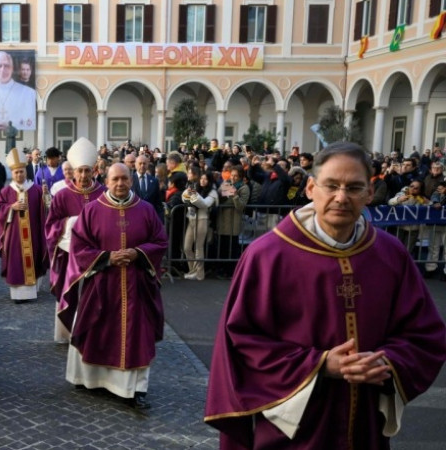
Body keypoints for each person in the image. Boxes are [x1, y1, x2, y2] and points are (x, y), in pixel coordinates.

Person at [204, 142, 446, 449]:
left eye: (354, 187)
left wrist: (386, 362)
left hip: (365, 425)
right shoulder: (267, 256)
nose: (341, 197)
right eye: (331, 185)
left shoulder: (390, 254)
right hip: (292, 428)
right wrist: (319, 365)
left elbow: (425, 334)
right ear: (310, 188)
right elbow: (241, 341)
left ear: (370, 194)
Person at [59, 163, 168, 409]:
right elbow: (79, 247)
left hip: (136, 286)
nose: (120, 184)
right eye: (115, 179)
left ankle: (133, 389)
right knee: (96, 329)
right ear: (106, 181)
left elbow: (160, 241)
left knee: (136, 336)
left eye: (124, 179)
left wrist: (138, 253)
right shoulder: (92, 210)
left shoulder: (146, 210)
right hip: (101, 283)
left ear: (132, 181)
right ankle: (89, 379)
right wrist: (107, 257)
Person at [45, 138, 104, 342]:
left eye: (87, 170)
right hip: (69, 254)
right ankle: (66, 334)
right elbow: (51, 226)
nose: (83, 175)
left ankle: (92, 332)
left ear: (94, 170)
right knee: (69, 293)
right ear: (73, 171)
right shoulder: (62, 196)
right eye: (80, 171)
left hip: (96, 254)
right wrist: (74, 223)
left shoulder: (104, 194)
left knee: (95, 293)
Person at [0, 148, 48, 303]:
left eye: (22, 171)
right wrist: (11, 207)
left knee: (34, 257)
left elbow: (46, 210)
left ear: (26, 171)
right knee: (16, 261)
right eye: (16, 172)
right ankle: (17, 294)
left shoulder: (36, 190)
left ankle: (32, 291)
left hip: (34, 233)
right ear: (12, 173)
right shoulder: (6, 191)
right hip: (13, 235)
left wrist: (46, 197)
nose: (19, 175)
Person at [182, 168, 218, 281]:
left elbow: (205, 204)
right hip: (191, 219)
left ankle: (199, 274)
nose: (202, 181)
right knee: (187, 247)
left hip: (202, 220)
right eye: (201, 178)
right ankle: (193, 270)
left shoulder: (212, 192)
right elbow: (184, 198)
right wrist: (190, 195)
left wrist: (193, 195)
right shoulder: (195, 188)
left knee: (198, 248)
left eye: (205, 179)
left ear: (209, 181)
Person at [0, 51, 36, 131]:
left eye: (7, 66)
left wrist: (11, 125)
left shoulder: (29, 93)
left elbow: (32, 122)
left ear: (12, 69)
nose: (3, 70)